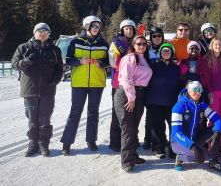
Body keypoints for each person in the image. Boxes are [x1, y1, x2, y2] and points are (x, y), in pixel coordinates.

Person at [11, 23, 63, 157]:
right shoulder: (23, 48)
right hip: (29, 90)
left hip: (48, 91)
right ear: (35, 32)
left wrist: (55, 80)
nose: (43, 33)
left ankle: (43, 144)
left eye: (46, 31)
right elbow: (14, 64)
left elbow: (59, 69)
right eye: (40, 30)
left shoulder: (55, 50)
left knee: (45, 119)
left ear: (49, 34)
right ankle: (33, 143)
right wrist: (25, 62)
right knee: (32, 119)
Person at [61, 16, 109, 155]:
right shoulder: (76, 42)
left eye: (98, 27)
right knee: (75, 112)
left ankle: (91, 140)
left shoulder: (103, 43)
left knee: (93, 112)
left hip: (97, 82)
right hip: (79, 83)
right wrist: (79, 61)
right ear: (87, 26)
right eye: (94, 26)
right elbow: (68, 60)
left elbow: (108, 62)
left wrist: (100, 63)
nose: (96, 29)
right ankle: (67, 143)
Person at [170, 81, 221, 173]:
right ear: (189, 91)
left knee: (216, 130)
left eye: (200, 90)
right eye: (195, 90)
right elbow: (176, 133)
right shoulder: (178, 107)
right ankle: (180, 157)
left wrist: (218, 133)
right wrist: (193, 147)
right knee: (191, 157)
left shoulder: (201, 105)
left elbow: (218, 120)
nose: (198, 93)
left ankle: (213, 161)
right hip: (178, 142)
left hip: (195, 138)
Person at [116, 35, 153, 172]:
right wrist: (131, 98)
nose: (142, 46)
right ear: (133, 44)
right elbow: (127, 78)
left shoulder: (144, 58)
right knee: (128, 128)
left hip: (140, 94)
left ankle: (133, 155)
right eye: (139, 44)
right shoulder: (129, 58)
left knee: (134, 127)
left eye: (144, 44)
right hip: (127, 95)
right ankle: (126, 161)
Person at [146, 43, 181, 159]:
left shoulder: (176, 68)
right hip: (154, 102)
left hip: (172, 102)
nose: (166, 53)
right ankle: (158, 148)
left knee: (173, 126)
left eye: (168, 51)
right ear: (160, 53)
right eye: (164, 51)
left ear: (172, 53)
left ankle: (173, 149)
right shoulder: (153, 66)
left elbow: (180, 84)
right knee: (157, 127)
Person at [108, 19, 136, 152]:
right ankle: (115, 142)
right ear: (122, 30)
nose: (129, 31)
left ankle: (129, 140)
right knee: (117, 113)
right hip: (118, 83)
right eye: (126, 29)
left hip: (132, 83)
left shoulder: (134, 42)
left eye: (131, 29)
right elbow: (113, 62)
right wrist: (128, 64)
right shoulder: (116, 43)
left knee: (129, 114)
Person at [199, 36, 221, 151]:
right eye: (215, 44)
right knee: (213, 119)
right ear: (211, 46)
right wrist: (210, 91)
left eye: (220, 45)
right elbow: (206, 79)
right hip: (214, 94)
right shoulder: (206, 60)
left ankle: (220, 142)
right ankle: (211, 144)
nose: (218, 46)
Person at [143, 26, 165, 149]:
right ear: (151, 38)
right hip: (150, 86)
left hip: (163, 87)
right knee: (150, 116)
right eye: (154, 36)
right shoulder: (147, 50)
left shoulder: (167, 49)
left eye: (159, 35)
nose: (157, 38)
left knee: (161, 116)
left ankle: (161, 139)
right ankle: (148, 139)